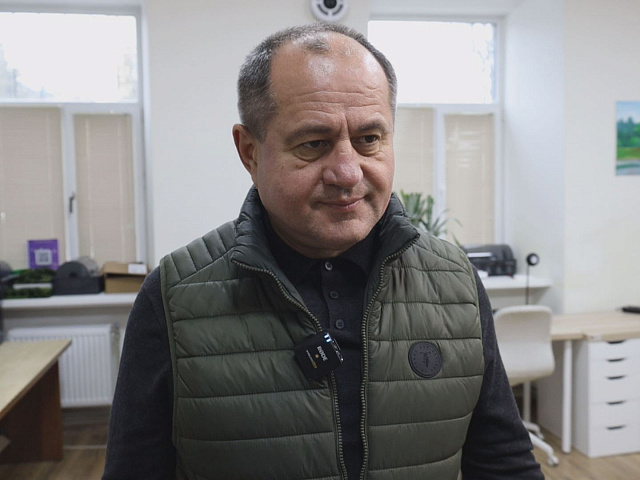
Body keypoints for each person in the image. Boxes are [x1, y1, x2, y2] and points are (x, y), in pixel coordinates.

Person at [103, 23, 544, 480]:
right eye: (314, 144)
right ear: (250, 152)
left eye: (369, 139)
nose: (348, 173)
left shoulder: (456, 284)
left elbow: (504, 463)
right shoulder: (173, 298)